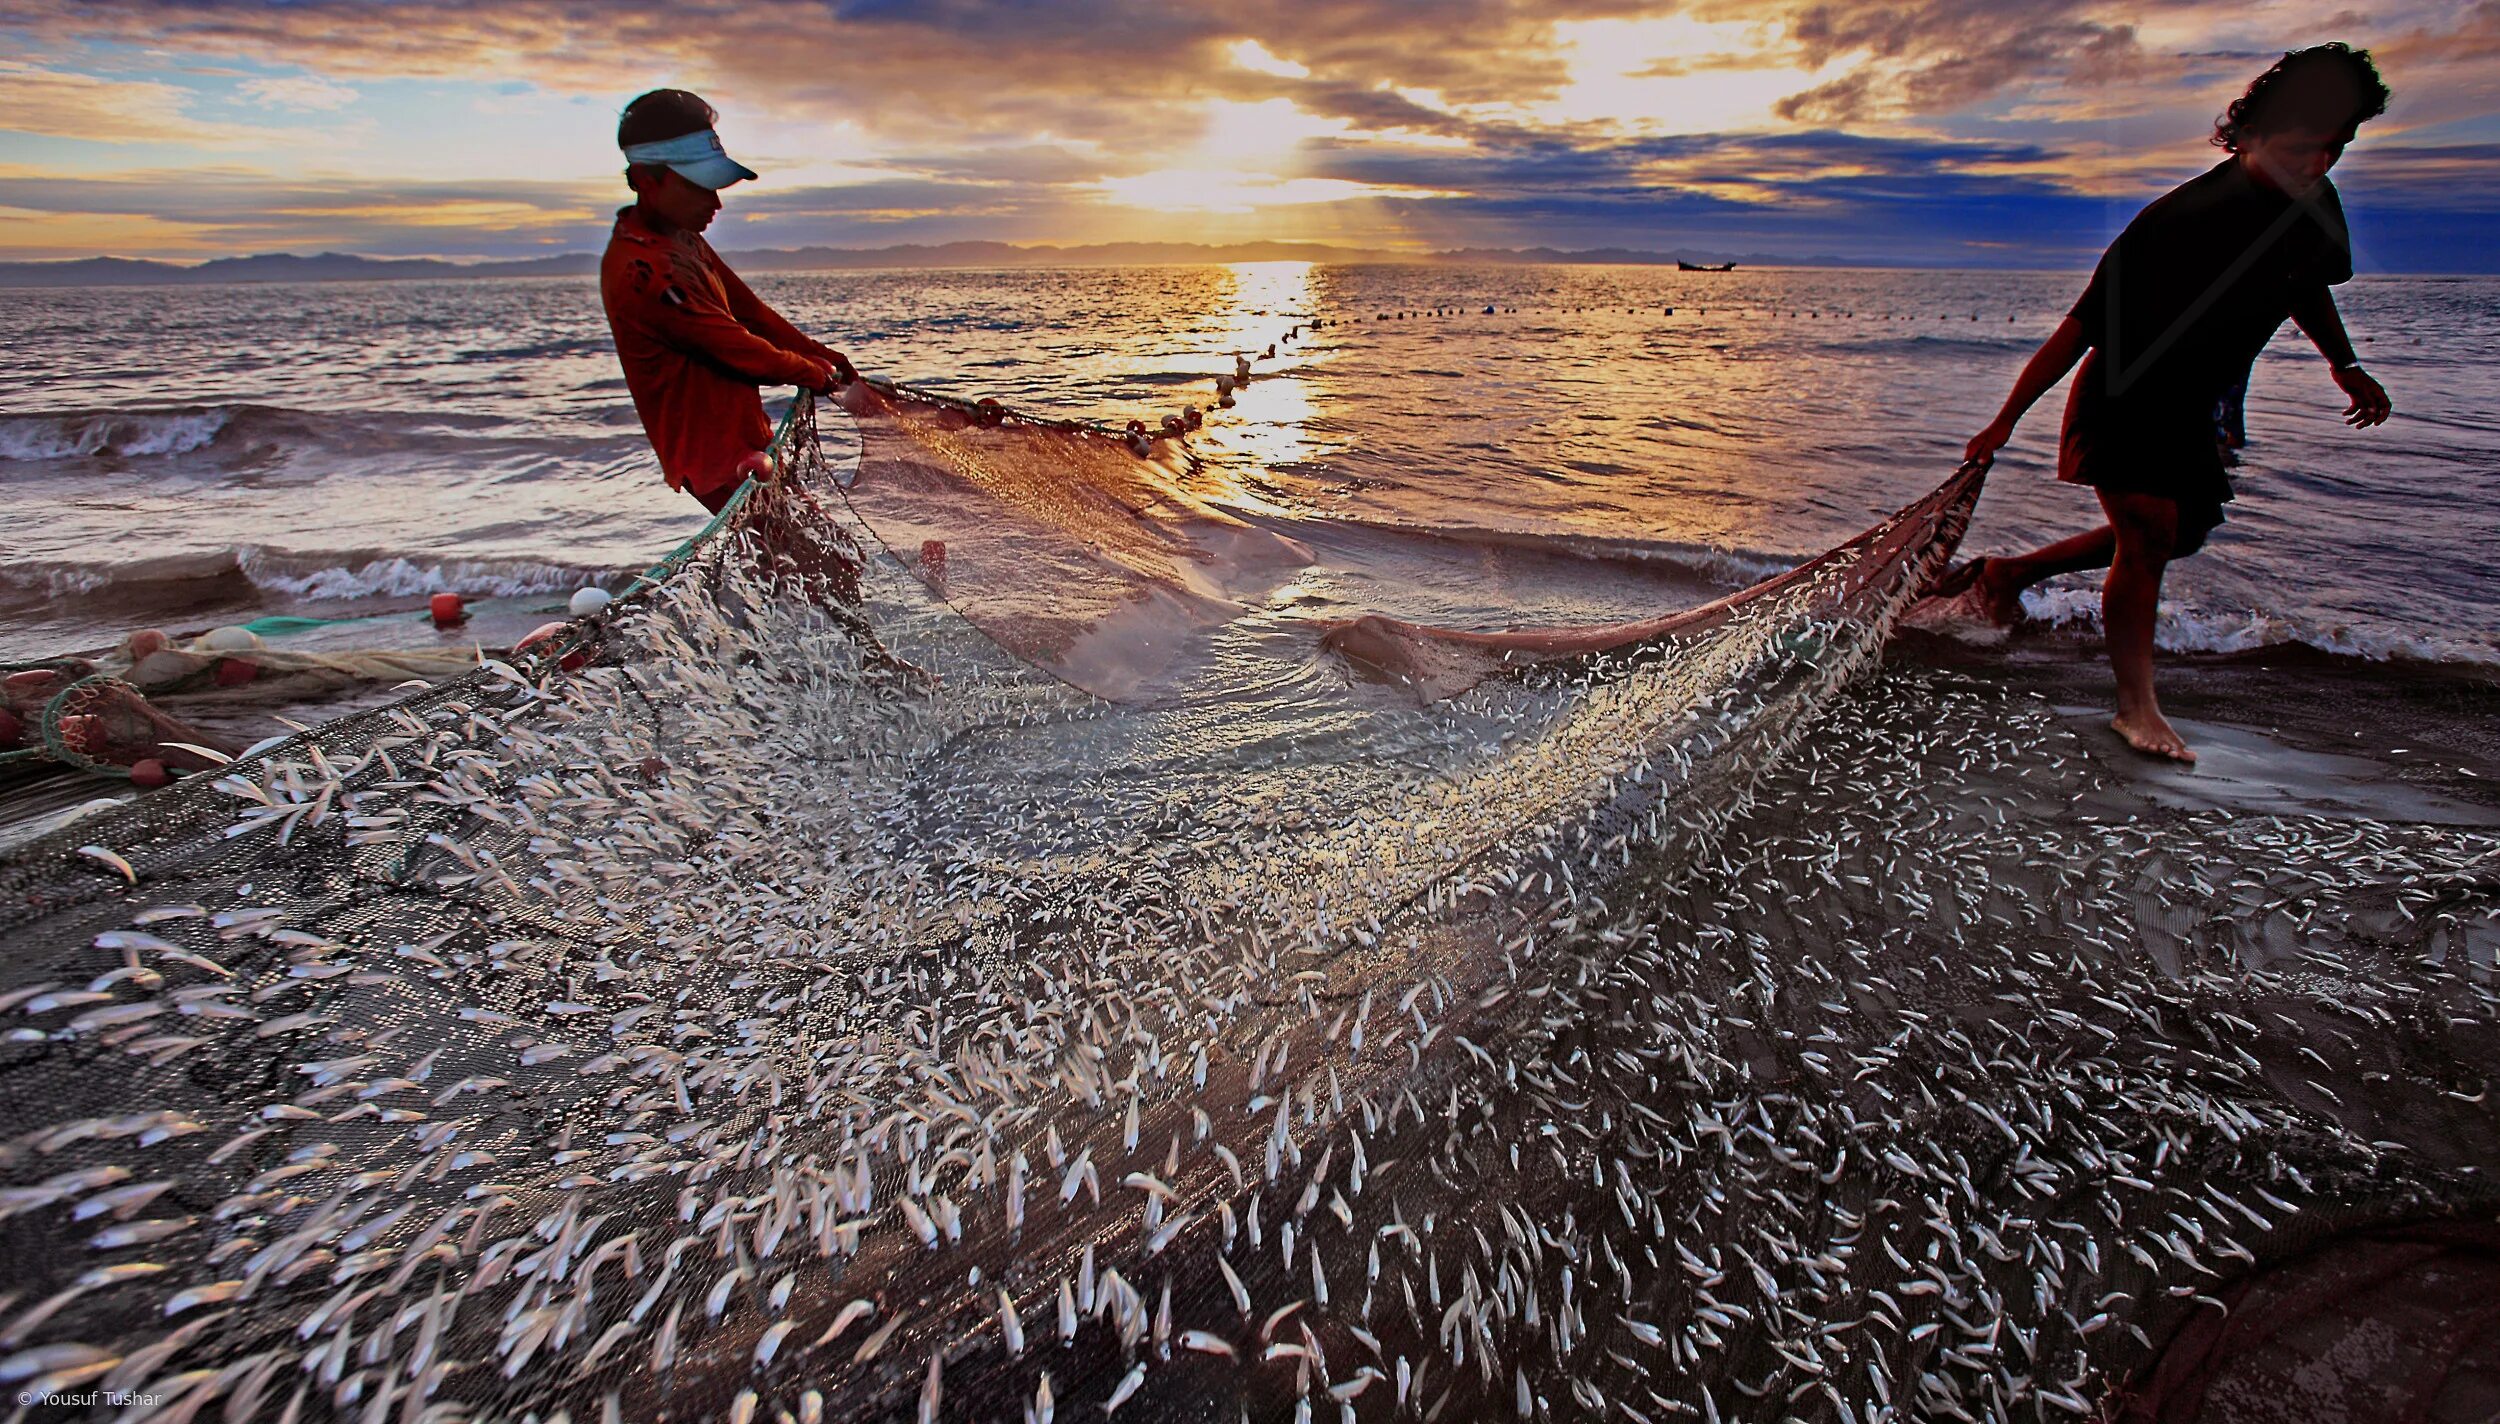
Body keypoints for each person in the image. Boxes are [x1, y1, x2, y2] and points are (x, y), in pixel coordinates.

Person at [1944, 44, 2394, 764]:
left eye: (2337, 148)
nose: (2317, 165)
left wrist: (2345, 363)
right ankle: (2136, 709)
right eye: (2301, 149)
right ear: (2248, 136)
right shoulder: (2176, 219)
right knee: (2149, 535)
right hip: (2126, 394)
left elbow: (2306, 283)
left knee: (2178, 535)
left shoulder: (2316, 204)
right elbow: (2080, 327)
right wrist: (2005, 419)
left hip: (2205, 402)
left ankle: (2007, 574)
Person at [600, 89, 858, 514]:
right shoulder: (644, 273)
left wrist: (820, 353)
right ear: (649, 180)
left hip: (745, 441)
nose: (715, 202)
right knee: (811, 564)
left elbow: (749, 312)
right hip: (718, 462)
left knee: (815, 563)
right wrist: (813, 373)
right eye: (700, 188)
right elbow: (738, 350)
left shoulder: (682, 239)